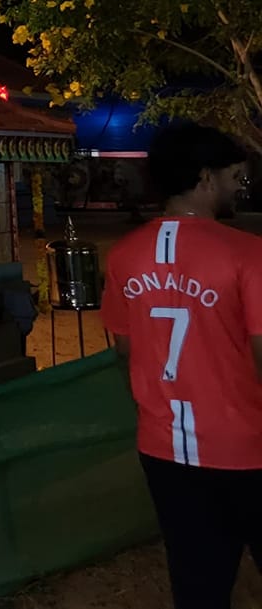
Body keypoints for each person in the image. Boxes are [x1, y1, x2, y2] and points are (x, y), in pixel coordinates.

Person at [102, 123, 260, 608]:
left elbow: (124, 351)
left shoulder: (124, 256)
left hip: (164, 448)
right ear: (206, 178)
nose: (239, 187)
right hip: (249, 449)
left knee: (198, 583)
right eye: (235, 176)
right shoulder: (248, 254)